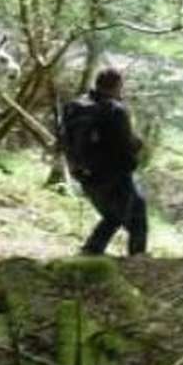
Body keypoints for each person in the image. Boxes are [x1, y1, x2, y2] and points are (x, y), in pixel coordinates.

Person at [64, 66, 147, 257]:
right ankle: (92, 250)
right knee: (118, 216)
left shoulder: (75, 106)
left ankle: (137, 257)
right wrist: (137, 147)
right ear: (118, 85)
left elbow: (65, 139)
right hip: (115, 174)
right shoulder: (115, 110)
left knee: (135, 208)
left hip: (83, 172)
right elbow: (124, 145)